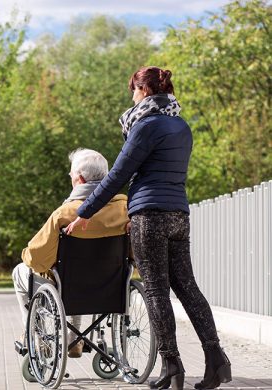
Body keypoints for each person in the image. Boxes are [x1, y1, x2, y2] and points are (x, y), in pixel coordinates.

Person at [65, 67, 232, 390]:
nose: (131, 97)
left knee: (156, 291)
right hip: (178, 215)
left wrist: (85, 212)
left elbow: (117, 176)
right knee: (188, 288)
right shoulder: (181, 126)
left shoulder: (145, 126)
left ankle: (171, 366)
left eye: (133, 91)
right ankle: (217, 361)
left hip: (149, 216)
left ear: (143, 91)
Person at [12, 148, 129, 358]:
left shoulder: (65, 214)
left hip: (70, 285)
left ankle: (35, 338)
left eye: (71, 176)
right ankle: (75, 340)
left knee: (21, 271)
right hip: (110, 286)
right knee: (77, 275)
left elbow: (37, 258)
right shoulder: (126, 209)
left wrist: (26, 255)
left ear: (80, 179)